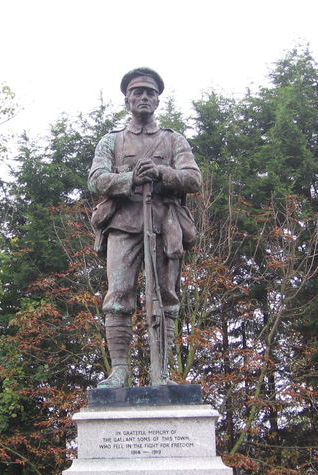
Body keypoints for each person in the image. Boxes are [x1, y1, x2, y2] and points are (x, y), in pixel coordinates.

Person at [88, 67, 201, 388]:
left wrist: (163, 173)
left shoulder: (173, 139)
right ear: (127, 99)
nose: (144, 98)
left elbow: (194, 179)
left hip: (164, 227)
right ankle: (119, 370)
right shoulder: (111, 141)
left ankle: (161, 372)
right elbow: (96, 178)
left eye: (150, 93)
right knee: (118, 295)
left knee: (165, 298)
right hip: (123, 226)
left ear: (157, 100)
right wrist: (131, 179)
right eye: (137, 92)